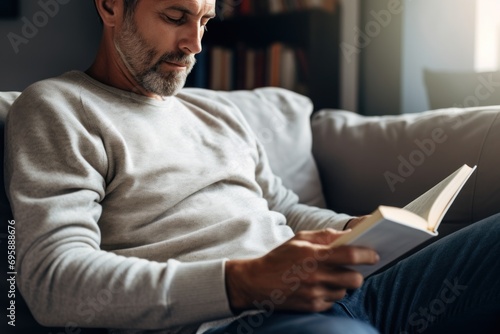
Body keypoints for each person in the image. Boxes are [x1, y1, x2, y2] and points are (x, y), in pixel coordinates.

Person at [4, 0, 499, 333]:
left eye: (204, 21)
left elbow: (282, 208)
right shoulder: (59, 108)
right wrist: (243, 281)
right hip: (242, 321)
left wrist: (357, 231)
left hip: (345, 290)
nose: (194, 44)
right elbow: (54, 280)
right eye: (176, 16)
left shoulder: (217, 112)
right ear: (111, 5)